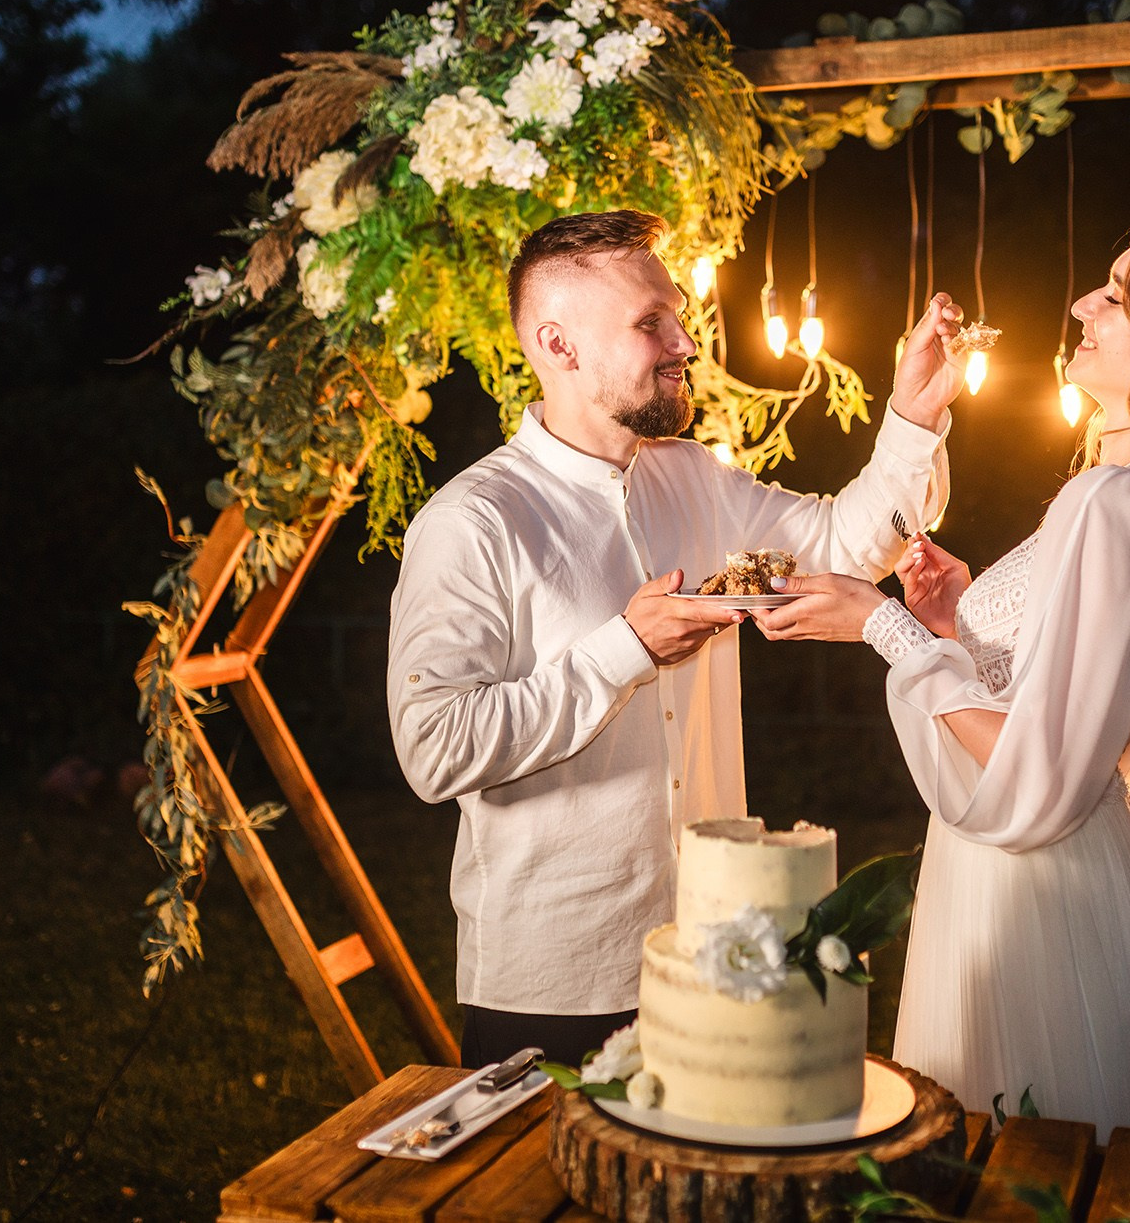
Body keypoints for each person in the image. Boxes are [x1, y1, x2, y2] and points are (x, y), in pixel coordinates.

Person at [752, 206, 1130, 1136]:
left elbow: (1037, 771)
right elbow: (1066, 709)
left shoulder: (1117, 496)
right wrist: (959, 622)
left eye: (1114, 296)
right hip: (1068, 873)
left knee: (1018, 1160)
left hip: (1032, 893)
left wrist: (885, 625)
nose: (1080, 305)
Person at [387, 208, 973, 1068]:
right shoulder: (473, 521)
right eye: (650, 323)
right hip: (554, 979)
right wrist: (627, 647)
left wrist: (914, 416)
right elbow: (433, 748)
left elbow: (848, 545)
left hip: (712, 949)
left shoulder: (690, 477)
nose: (686, 343)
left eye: (680, 317)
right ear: (558, 346)